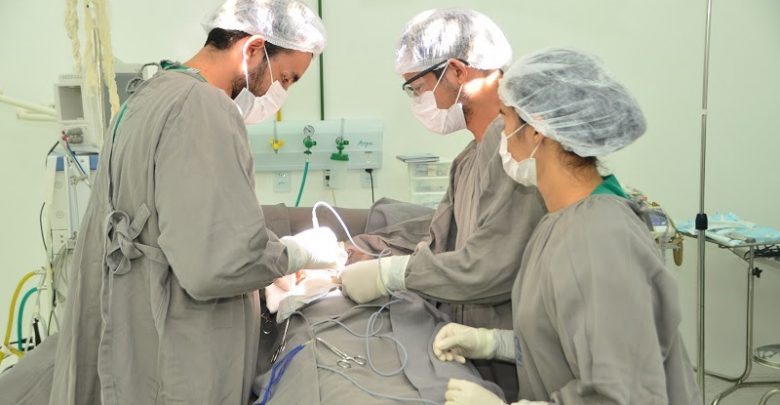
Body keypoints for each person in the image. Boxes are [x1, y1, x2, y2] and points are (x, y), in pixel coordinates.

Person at [46, 1, 344, 404]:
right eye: (286, 78)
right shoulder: (203, 107)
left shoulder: (149, 95)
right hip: (176, 354)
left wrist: (264, 264)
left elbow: (184, 223)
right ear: (253, 49)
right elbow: (218, 262)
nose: (278, 93)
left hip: (137, 330)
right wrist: (296, 254)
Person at [432, 48, 702, 404]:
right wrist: (493, 342)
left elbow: (624, 394)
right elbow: (569, 340)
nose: (501, 135)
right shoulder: (557, 223)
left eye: (505, 119)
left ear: (537, 131)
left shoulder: (599, 238)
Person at [340, 8, 546, 400]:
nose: (417, 100)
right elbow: (440, 242)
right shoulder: (469, 159)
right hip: (469, 343)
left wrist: (390, 274)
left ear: (455, 71)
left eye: (416, 87)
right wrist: (368, 253)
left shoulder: (512, 151)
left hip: (513, 355)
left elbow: (489, 269)